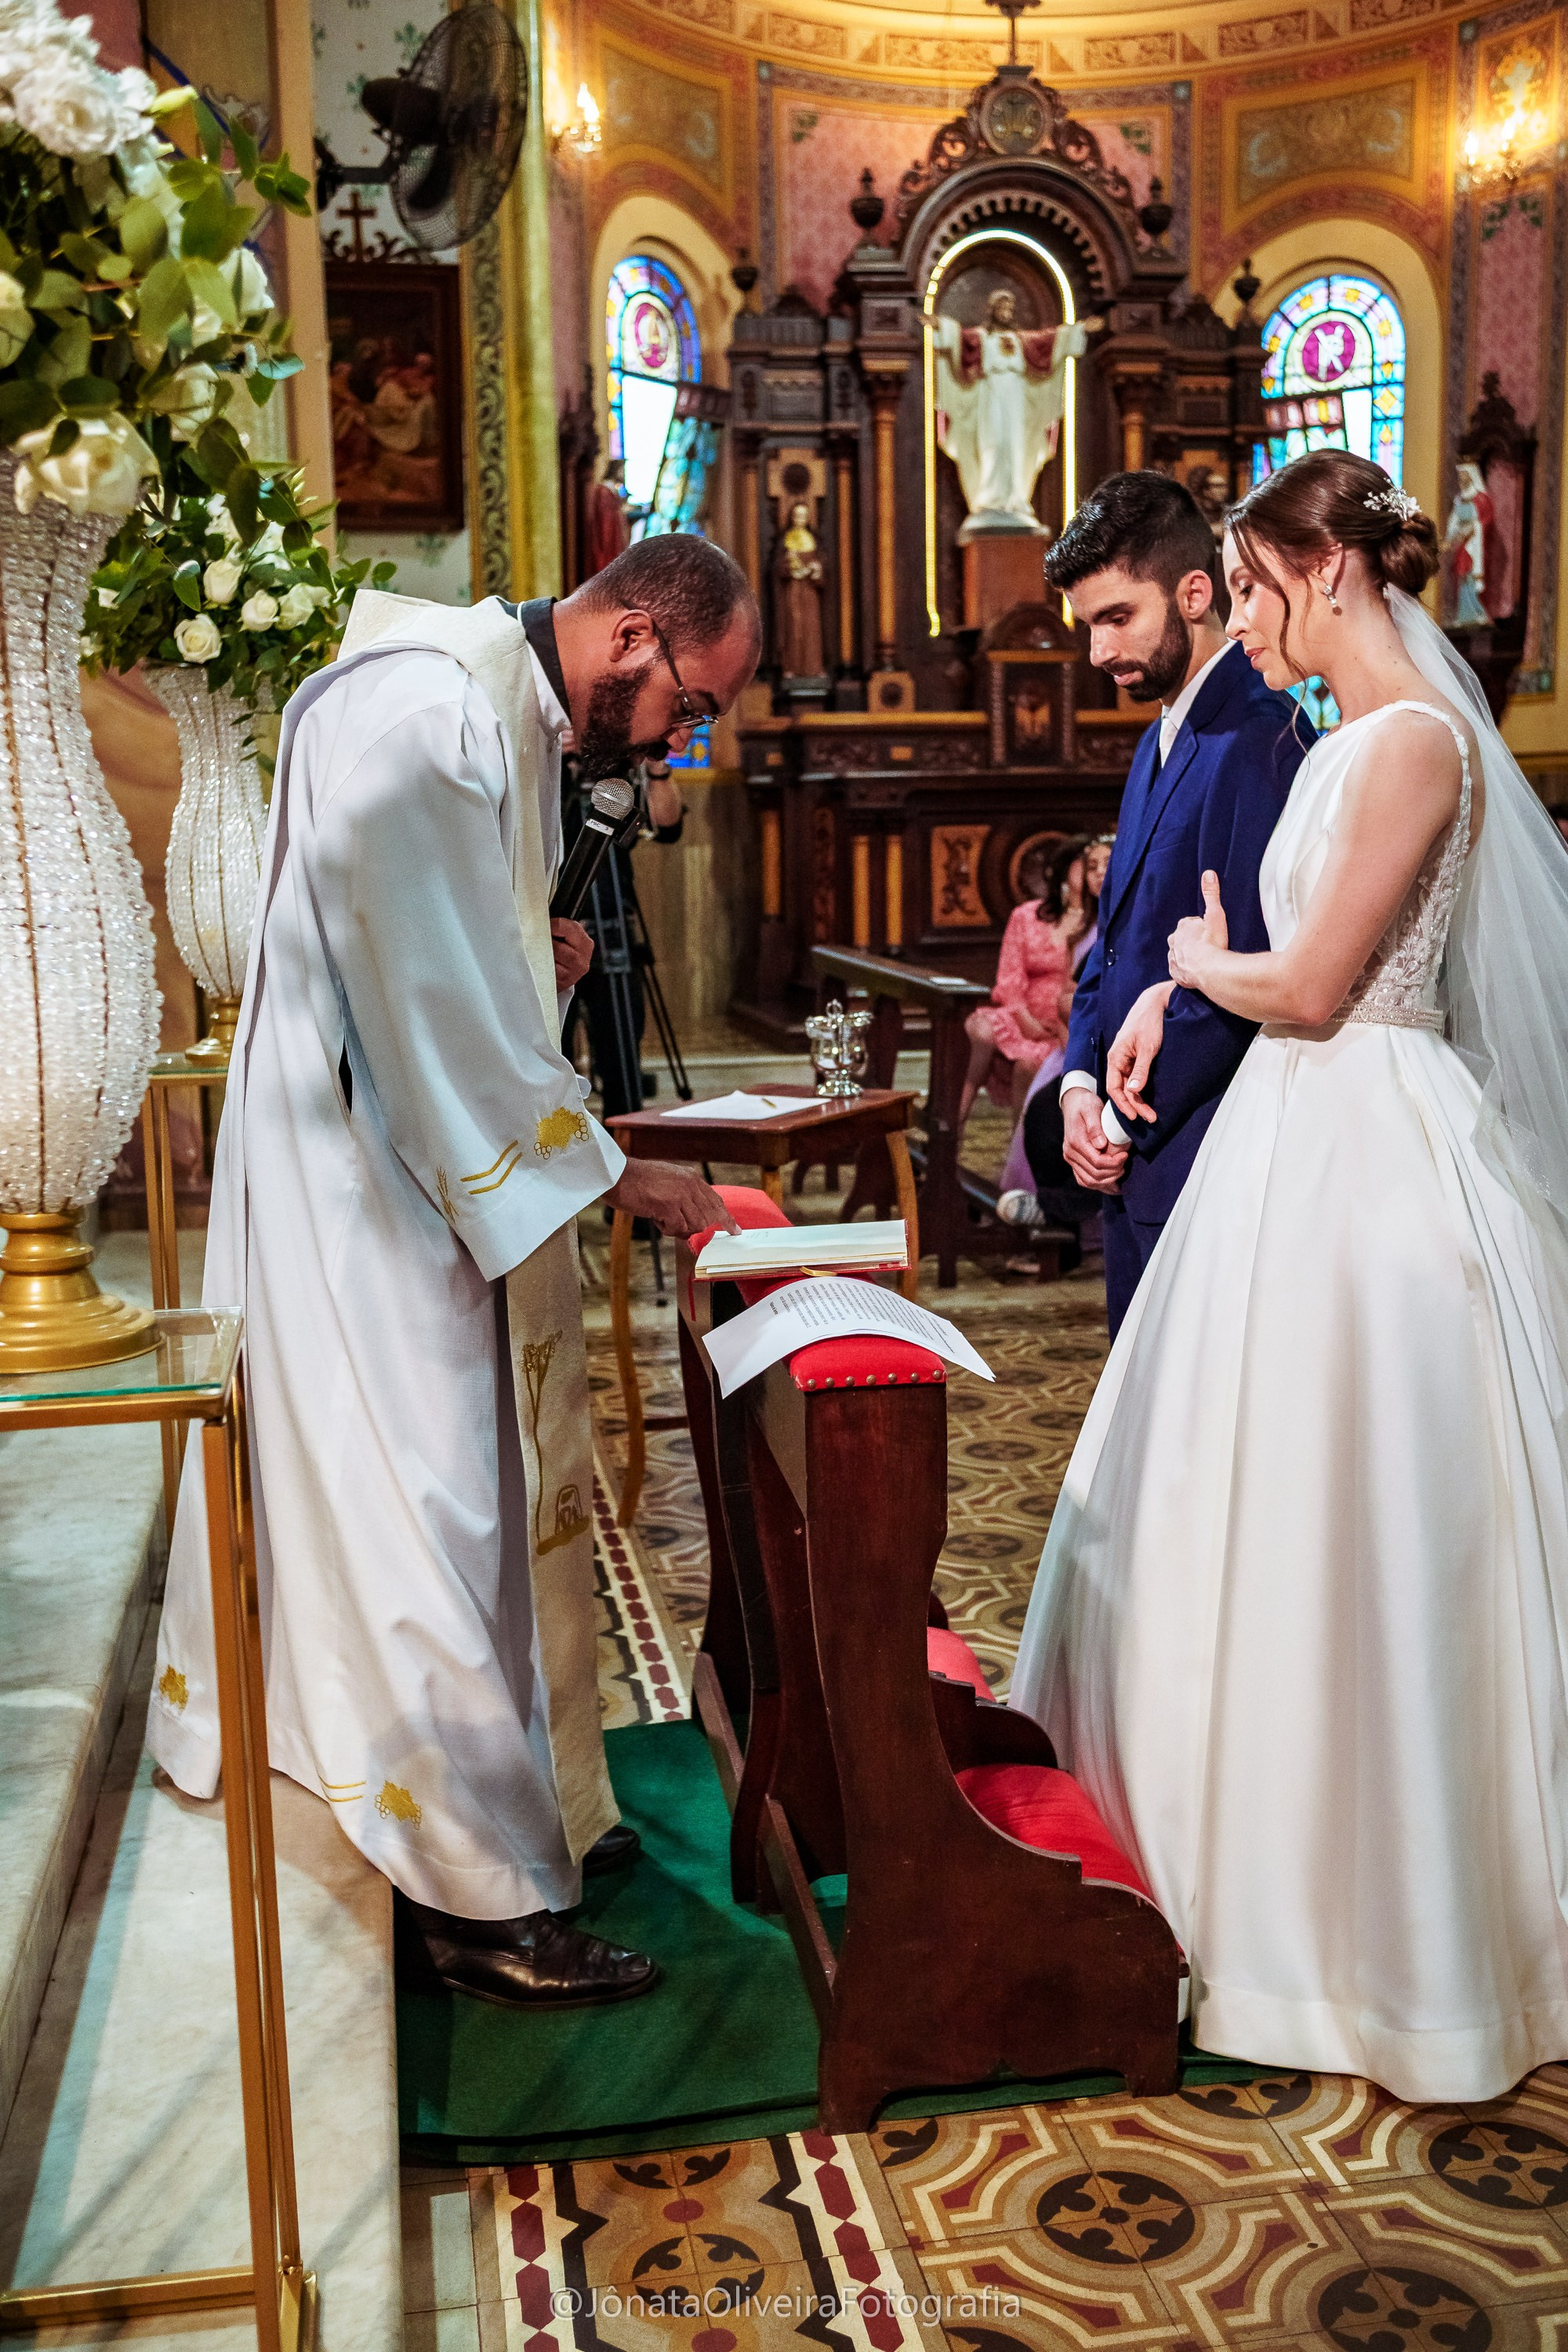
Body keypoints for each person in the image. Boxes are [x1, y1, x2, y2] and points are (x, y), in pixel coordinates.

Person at [1011, 448, 1568, 2102]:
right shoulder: (1342, 739)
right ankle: (1231, 1865)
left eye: (1258, 584)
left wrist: (1197, 965)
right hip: (1294, 1136)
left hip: (1366, 1136)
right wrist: (1156, 993)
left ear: (1324, 572)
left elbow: (1318, 988)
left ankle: (1382, 1936)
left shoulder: (1405, 744)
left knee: (1372, 1528)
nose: (1244, 614)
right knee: (1255, 1509)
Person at [148, 535, 760, 2009]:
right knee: (425, 1506)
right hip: (378, 1194)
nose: (691, 737)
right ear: (628, 637)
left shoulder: (496, 705)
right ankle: (476, 1906)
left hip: (412, 1168)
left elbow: (437, 954)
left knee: (465, 1506)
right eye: (696, 700)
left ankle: (516, 1822)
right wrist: (624, 1170)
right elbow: (427, 1022)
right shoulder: (433, 721)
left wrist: (521, 949)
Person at [1046, 470, 1311, 1334]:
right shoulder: (1162, 731)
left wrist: (1121, 1127)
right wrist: (1078, 1086)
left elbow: (1248, 975)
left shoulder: (1255, 740)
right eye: (1088, 626)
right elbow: (1114, 944)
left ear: (1192, 593)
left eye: (1117, 618)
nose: (1097, 652)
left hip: (1196, 1147)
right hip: (1131, 1150)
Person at [959, 836, 1090, 1131]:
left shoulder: (1097, 923)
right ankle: (949, 1132)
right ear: (1064, 871)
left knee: (1027, 1067)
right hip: (1023, 1016)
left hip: (1062, 1026)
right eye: (1086, 865)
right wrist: (1024, 1018)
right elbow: (1009, 977)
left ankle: (1023, 1154)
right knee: (979, 1030)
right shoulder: (1027, 916)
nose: (1096, 873)